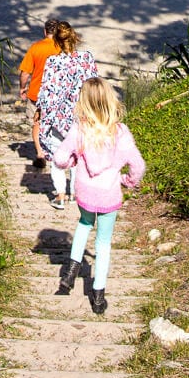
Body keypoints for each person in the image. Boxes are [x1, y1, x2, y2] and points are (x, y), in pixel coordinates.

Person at [52, 77, 146, 315]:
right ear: (110, 99)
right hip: (109, 193)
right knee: (103, 243)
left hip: (85, 190)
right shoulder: (121, 133)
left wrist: (73, 160)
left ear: (83, 102)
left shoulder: (79, 130)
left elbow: (60, 159)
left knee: (84, 223)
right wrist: (128, 181)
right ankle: (98, 295)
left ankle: (70, 273)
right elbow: (138, 165)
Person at [36, 21, 97, 209]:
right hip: (81, 116)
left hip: (56, 116)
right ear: (74, 37)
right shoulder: (87, 58)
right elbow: (94, 86)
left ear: (56, 40)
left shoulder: (53, 62)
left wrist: (39, 111)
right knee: (79, 156)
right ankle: (76, 193)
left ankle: (60, 196)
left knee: (57, 157)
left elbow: (46, 89)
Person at [18, 17, 60, 169]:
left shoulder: (36, 47)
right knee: (57, 121)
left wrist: (22, 88)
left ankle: (40, 152)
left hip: (37, 92)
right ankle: (57, 150)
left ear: (45, 31)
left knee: (37, 122)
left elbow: (25, 72)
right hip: (57, 93)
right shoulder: (64, 48)